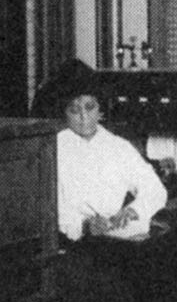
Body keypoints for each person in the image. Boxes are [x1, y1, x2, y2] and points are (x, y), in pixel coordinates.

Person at [43, 59, 167, 242]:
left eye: (89, 107)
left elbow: (155, 189)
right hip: (71, 241)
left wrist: (133, 210)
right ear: (63, 112)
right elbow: (49, 208)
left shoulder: (118, 146)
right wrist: (84, 225)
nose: (84, 117)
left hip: (114, 235)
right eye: (74, 110)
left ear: (99, 108)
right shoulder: (53, 148)